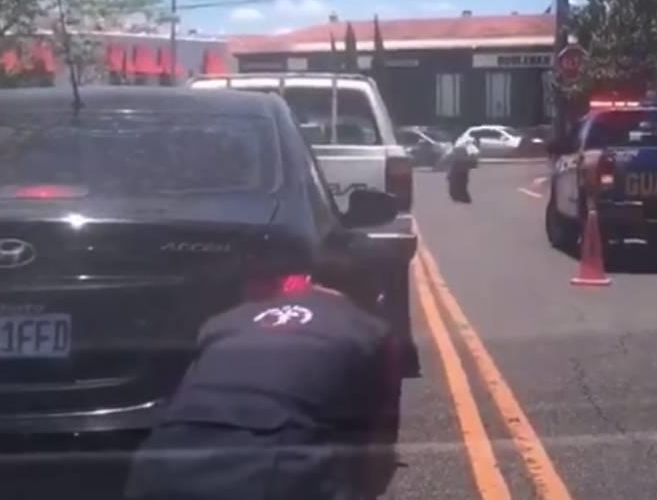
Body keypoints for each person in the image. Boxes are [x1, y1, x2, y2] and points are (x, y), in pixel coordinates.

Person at [124, 255, 402, 500]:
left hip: (159, 469)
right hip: (271, 475)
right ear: (374, 291)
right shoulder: (371, 333)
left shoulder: (225, 322)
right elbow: (378, 451)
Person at [446, 139, 476, 203]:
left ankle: (458, 198)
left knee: (453, 186)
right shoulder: (467, 150)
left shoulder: (455, 150)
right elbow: (473, 160)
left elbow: (447, 158)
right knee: (462, 186)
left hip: (456, 171)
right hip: (463, 171)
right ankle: (465, 199)